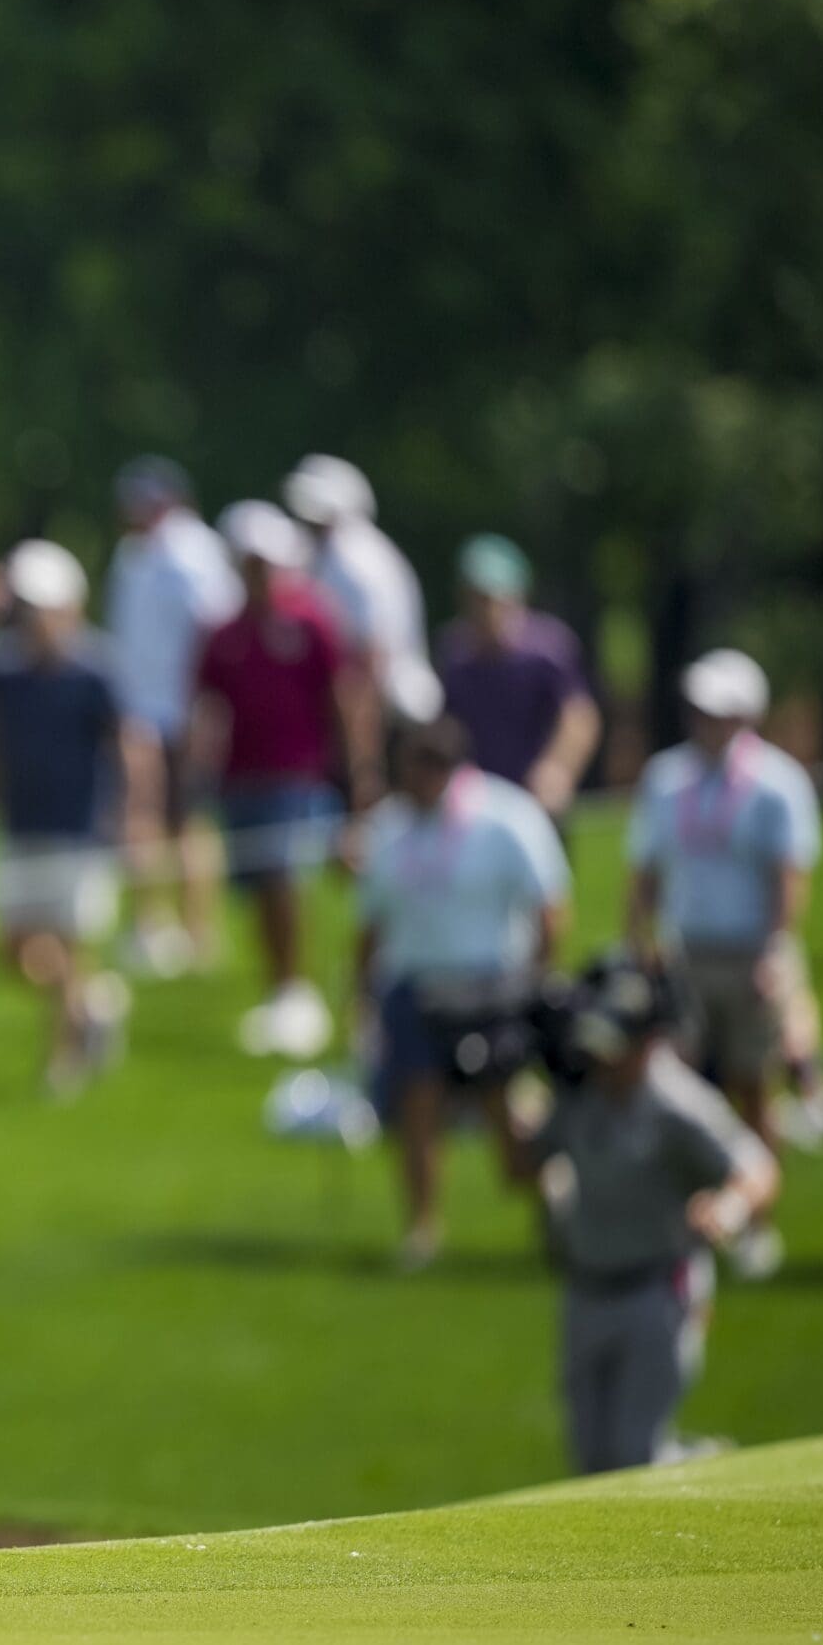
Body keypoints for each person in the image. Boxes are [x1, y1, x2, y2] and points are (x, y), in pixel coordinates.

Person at [516, 954, 778, 1473]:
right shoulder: (579, 1091)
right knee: (589, 1460)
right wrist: (501, 1094)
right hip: (585, 1289)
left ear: (647, 1041)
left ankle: (706, 1473)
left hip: (657, 1289)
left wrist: (727, 1207)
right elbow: (522, 1165)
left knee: (635, 1452)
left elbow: (757, 1168)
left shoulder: (675, 1102)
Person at [626, 649, 819, 1279]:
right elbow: (647, 868)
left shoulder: (775, 782)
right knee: (681, 1090)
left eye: (720, 712)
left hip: (748, 954)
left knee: (752, 1086)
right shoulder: (666, 777)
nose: (706, 722)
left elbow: (787, 874)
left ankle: (752, 1219)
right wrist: (640, 942)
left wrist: (777, 948)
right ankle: (689, 1215)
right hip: (685, 952)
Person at [354, 717, 570, 1269]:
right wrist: (364, 997)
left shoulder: (506, 816)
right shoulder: (389, 826)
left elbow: (550, 902)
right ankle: (422, 1229)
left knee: (507, 1116)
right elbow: (370, 922)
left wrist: (536, 981)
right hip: (414, 986)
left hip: (490, 987)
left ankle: (557, 1206)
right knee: (418, 1111)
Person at [0, 541, 130, 1095]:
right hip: (20, 826)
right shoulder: (5, 668)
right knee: (14, 949)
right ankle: (93, 1004)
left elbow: (129, 746)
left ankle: (63, 1065)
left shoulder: (94, 671)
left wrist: (134, 815)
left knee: (67, 943)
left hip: (78, 830)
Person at [191, 501, 377, 1060]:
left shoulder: (312, 620)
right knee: (258, 892)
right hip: (241, 781)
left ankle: (298, 994)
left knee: (285, 884)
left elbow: (341, 700)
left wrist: (359, 777)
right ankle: (280, 992)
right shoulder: (223, 634)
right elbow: (208, 709)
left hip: (299, 776)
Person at [103, 457, 242, 978]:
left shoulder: (194, 552)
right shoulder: (131, 554)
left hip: (187, 707)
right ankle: (150, 926)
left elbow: (213, 632)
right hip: (139, 706)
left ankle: (197, 932)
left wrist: (207, 710)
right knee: (140, 815)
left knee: (189, 820)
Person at [436, 536, 600, 820]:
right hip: (476, 803)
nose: (482, 609)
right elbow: (448, 725)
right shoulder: (454, 653)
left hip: (535, 799)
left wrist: (558, 769)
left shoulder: (549, 647)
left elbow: (579, 715)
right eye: (473, 598)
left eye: (489, 599)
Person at [281, 455, 432, 720]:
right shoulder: (350, 549)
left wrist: (361, 744)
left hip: (385, 708)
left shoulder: (351, 556)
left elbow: (371, 653)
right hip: (375, 703)